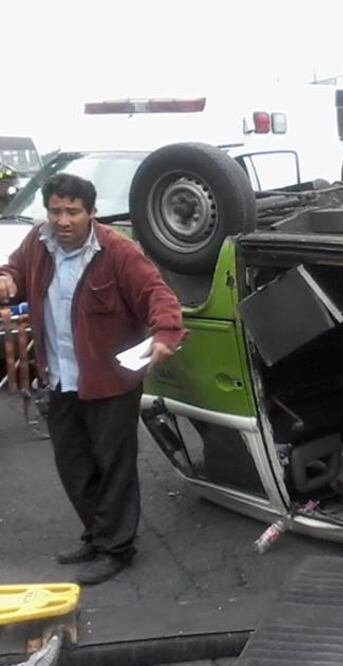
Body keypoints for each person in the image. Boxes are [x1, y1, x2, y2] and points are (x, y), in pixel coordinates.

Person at [0, 173, 185, 585]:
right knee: (74, 465)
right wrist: (8, 279)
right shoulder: (37, 242)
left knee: (113, 464)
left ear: (91, 213)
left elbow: (158, 295)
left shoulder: (118, 251)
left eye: (72, 212)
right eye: (55, 211)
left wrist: (166, 333)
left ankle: (116, 548)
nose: (63, 220)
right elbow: (13, 269)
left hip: (110, 379)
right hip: (61, 377)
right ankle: (96, 534)